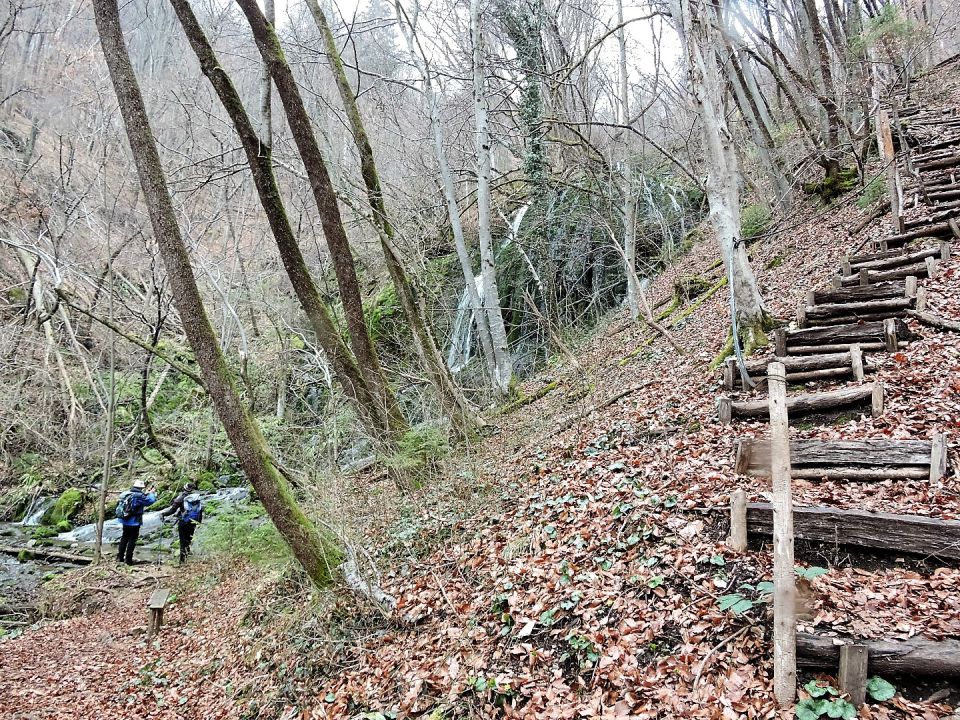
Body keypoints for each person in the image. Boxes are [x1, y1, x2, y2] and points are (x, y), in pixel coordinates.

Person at [116, 479, 156, 565]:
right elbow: (150, 501)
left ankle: (120, 557)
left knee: (124, 537)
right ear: (141, 488)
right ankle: (128, 560)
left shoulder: (127, 493)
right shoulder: (139, 495)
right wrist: (152, 493)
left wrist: (147, 493)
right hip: (134, 521)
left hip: (125, 519)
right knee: (132, 540)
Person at [161, 482, 203, 564]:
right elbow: (200, 510)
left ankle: (182, 561)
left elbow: (172, 511)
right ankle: (187, 558)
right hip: (193, 522)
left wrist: (163, 514)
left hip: (184, 522)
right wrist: (198, 523)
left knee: (183, 541)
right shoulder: (196, 498)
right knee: (188, 540)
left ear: (184, 488)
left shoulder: (181, 498)